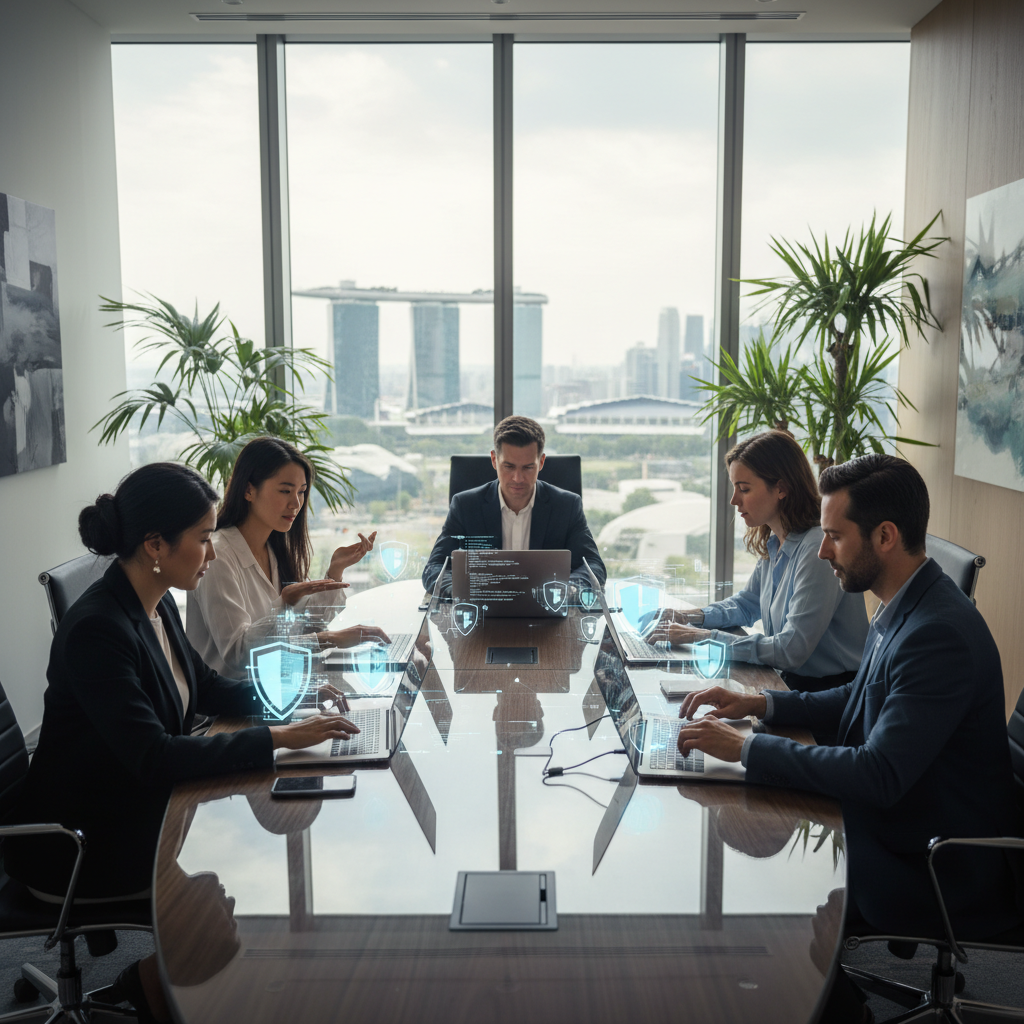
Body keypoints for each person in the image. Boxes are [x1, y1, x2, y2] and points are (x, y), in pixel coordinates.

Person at [3, 462, 361, 1022]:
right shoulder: (100, 629)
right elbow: (154, 756)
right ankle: (147, 987)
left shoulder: (156, 598)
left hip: (124, 800)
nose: (213, 552)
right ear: (155, 544)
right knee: (227, 903)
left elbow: (208, 688)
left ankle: (147, 982)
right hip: (74, 841)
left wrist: (296, 693)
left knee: (238, 871)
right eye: (201, 538)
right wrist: (278, 737)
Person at [675, 454, 1023, 1020]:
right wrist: (760, 703)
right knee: (759, 835)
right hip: (915, 818)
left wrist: (748, 747)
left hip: (943, 861)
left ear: (884, 537)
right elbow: (854, 699)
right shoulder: (905, 604)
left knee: (774, 892)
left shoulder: (938, 634)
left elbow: (878, 775)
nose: (820, 550)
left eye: (835, 535)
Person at [649, 430, 868, 692]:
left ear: (781, 488)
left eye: (744, 489)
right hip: (792, 682)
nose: (734, 500)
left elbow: (790, 650)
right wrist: (688, 617)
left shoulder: (816, 550)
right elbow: (747, 604)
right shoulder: (777, 541)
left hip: (829, 694)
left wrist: (703, 638)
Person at [187, 436, 388, 677]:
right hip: (228, 709)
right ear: (249, 490)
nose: (296, 503)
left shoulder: (274, 548)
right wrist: (326, 637)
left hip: (274, 690)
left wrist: (335, 571)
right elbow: (239, 655)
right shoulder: (218, 556)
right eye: (285, 491)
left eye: (301, 492)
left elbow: (308, 625)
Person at [422, 415, 606, 594]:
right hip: (482, 614)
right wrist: (465, 591)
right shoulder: (465, 506)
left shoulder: (567, 506)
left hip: (547, 613)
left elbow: (593, 566)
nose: (518, 478)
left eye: (528, 467)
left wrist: (568, 590)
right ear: (494, 460)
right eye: (509, 467)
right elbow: (434, 568)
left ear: (541, 462)